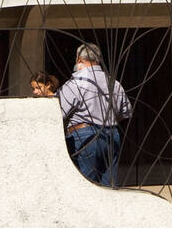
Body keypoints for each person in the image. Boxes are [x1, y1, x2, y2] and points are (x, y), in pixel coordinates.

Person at [57, 42, 132, 187]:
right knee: (109, 186)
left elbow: (58, 113)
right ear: (98, 60)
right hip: (112, 134)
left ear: (79, 60)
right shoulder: (114, 83)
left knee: (86, 186)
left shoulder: (75, 83)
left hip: (84, 136)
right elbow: (125, 112)